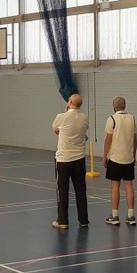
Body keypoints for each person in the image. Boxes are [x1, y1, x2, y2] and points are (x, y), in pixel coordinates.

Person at [51, 94, 89, 229]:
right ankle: (84, 219)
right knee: (81, 189)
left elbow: (55, 130)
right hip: (79, 160)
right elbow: (84, 135)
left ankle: (63, 221)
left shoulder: (61, 117)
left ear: (70, 102)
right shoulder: (85, 117)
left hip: (63, 159)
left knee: (62, 190)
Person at [103, 96, 137, 226]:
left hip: (115, 158)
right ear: (125, 106)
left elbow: (108, 140)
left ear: (114, 107)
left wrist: (105, 155)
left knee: (115, 186)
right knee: (129, 186)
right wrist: (134, 155)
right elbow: (135, 139)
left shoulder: (111, 119)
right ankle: (131, 215)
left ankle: (115, 216)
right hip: (128, 158)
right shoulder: (132, 118)